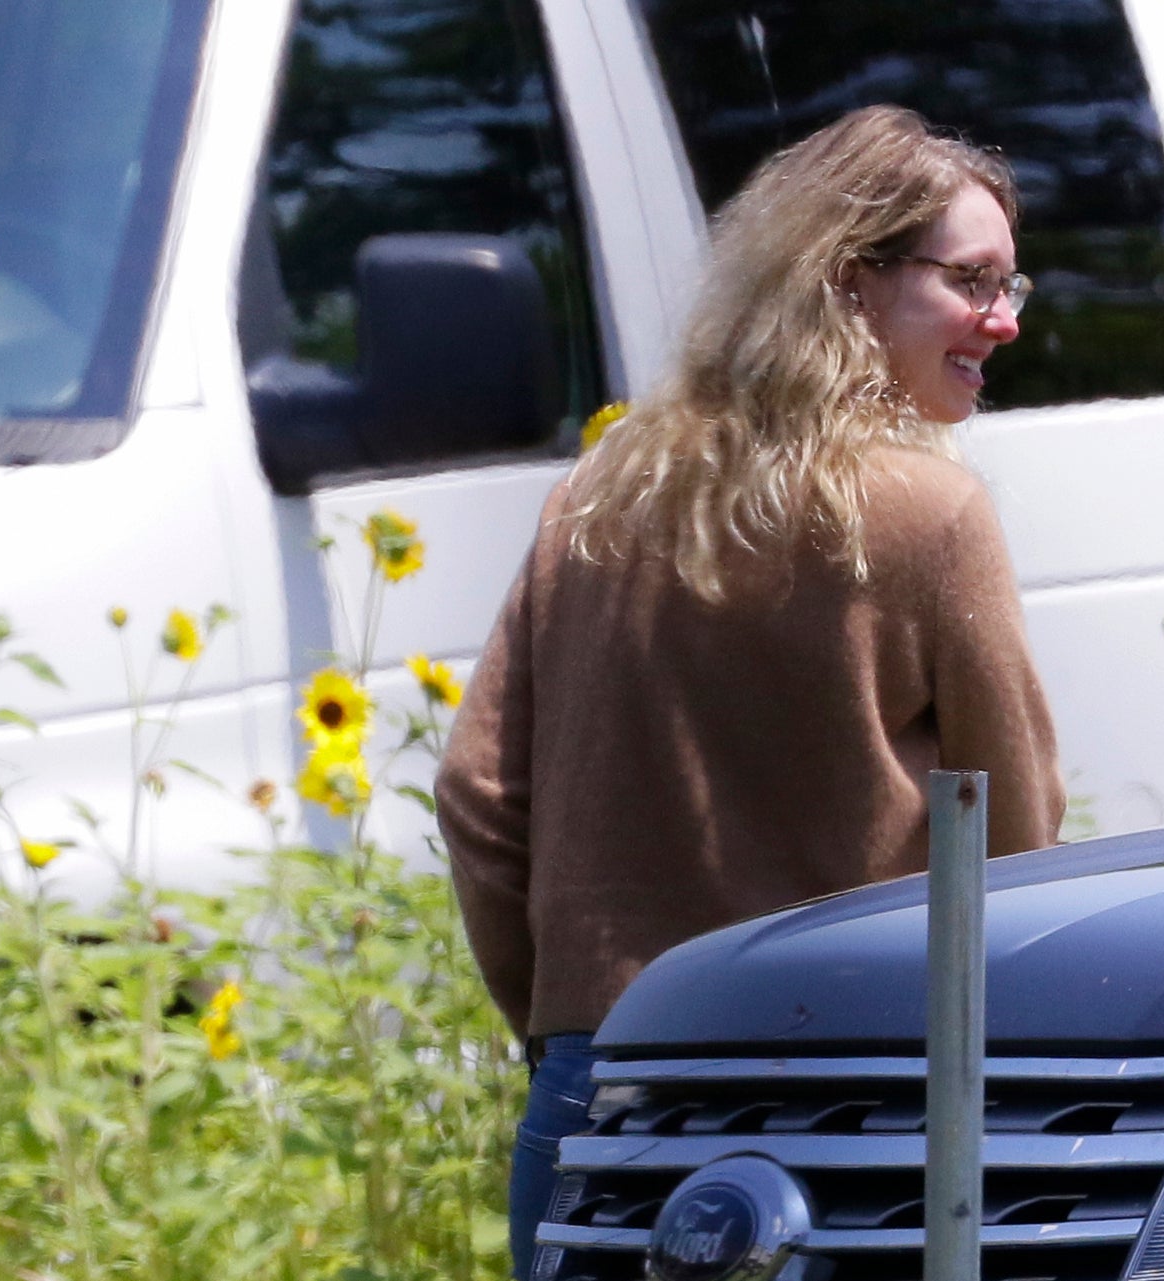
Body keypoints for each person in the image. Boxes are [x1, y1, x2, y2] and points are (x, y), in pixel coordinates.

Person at [434, 103, 1067, 1279]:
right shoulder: (933, 516)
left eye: (1008, 284)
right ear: (848, 282)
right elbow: (1016, 844)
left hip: (602, 1078)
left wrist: (564, 1024)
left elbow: (476, 793)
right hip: (853, 1094)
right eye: (971, 281)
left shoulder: (598, 490)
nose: (1004, 320)